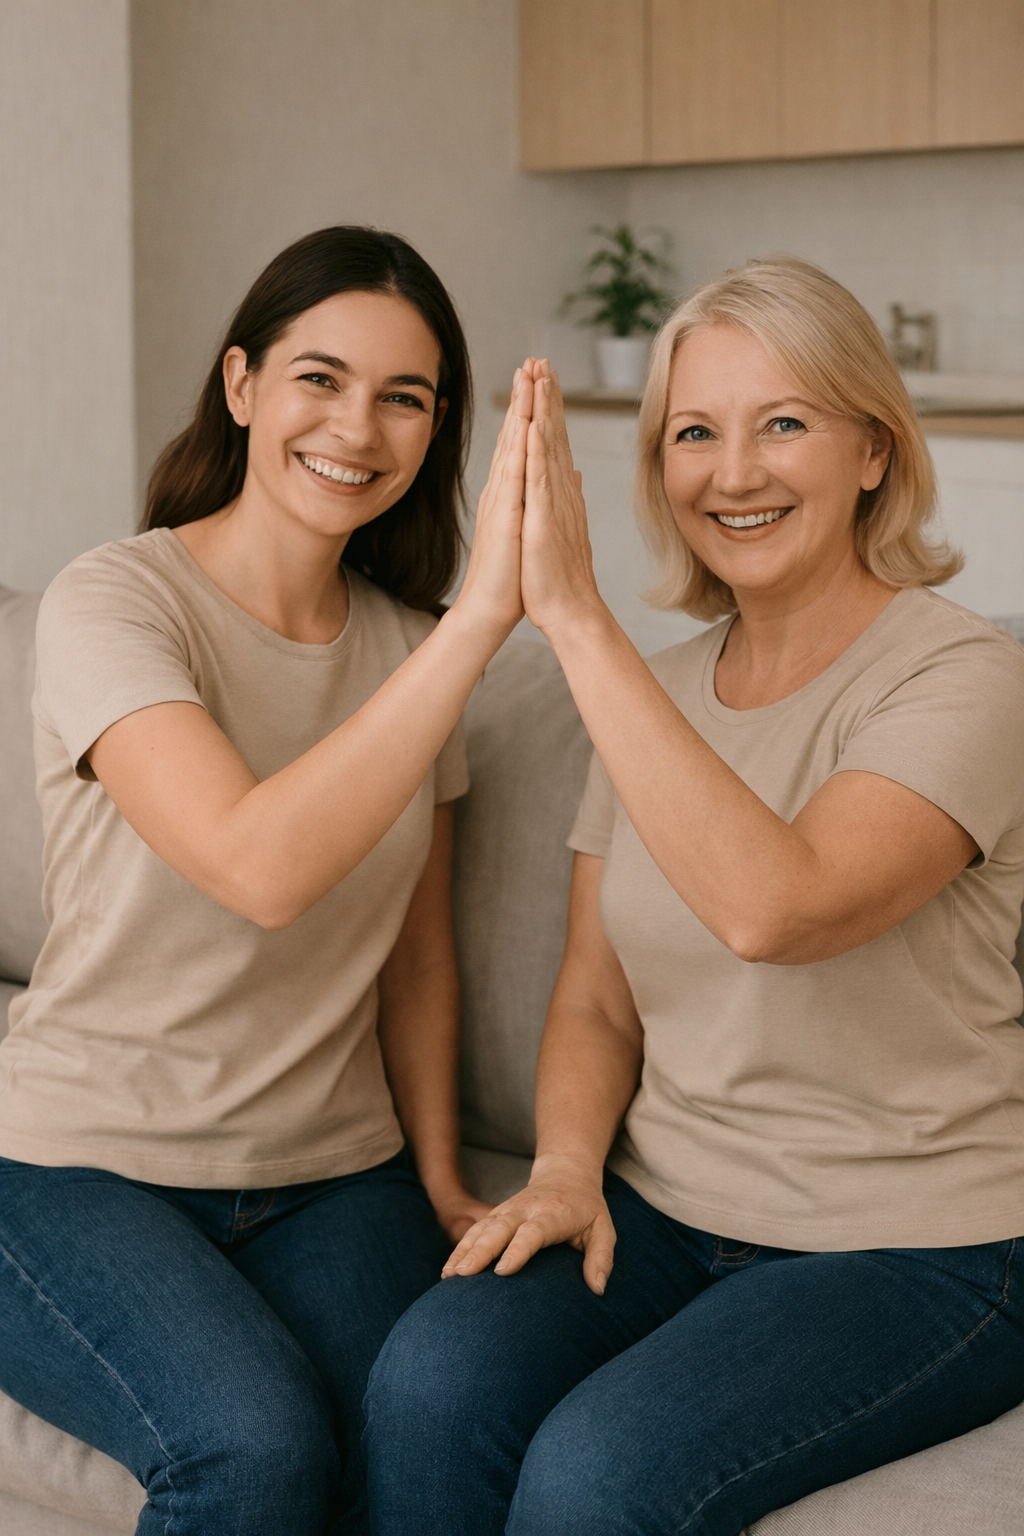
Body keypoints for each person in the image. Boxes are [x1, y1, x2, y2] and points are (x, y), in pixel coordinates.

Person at [365, 258, 1024, 1536]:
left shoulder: (966, 677)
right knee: (426, 1384)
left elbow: (780, 910)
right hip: (667, 1211)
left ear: (873, 452)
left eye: (784, 423)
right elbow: (595, 996)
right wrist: (562, 1168)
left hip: (915, 1244)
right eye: (692, 434)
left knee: (598, 1479)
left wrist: (576, 622)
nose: (734, 473)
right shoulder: (656, 692)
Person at [0, 226, 534, 1535]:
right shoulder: (115, 602)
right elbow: (257, 866)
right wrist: (482, 623)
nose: (358, 424)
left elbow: (417, 955)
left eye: (404, 397)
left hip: (329, 1172)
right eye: (320, 377)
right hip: (79, 1165)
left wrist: (444, 1174)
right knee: (256, 1449)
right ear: (240, 384)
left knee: (442, 1439)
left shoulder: (411, 653)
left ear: (437, 429)